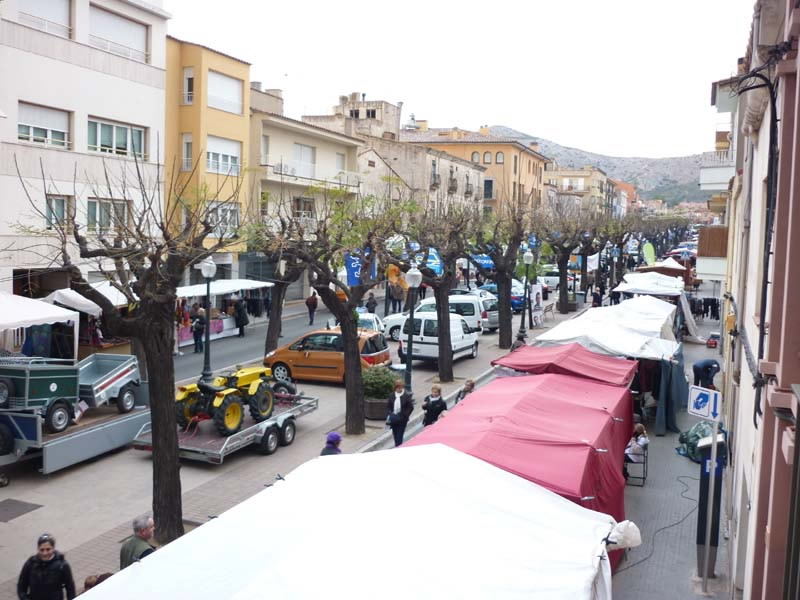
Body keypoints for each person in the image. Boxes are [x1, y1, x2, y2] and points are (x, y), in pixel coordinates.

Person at [17, 534, 75, 600]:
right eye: (42, 550)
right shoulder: (31, 564)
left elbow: (70, 588)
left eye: (48, 549)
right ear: (38, 549)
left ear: (53, 548)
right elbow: (21, 586)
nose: (45, 553)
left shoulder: (62, 565)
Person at [386, 380, 413, 447]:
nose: (399, 389)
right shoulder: (392, 395)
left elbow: (410, 407)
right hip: (394, 418)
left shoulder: (406, 396)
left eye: (400, 387)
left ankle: (398, 447)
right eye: (397, 388)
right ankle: (397, 446)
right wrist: (391, 414)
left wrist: (405, 415)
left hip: (402, 419)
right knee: (395, 434)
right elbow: (388, 407)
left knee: (399, 435)